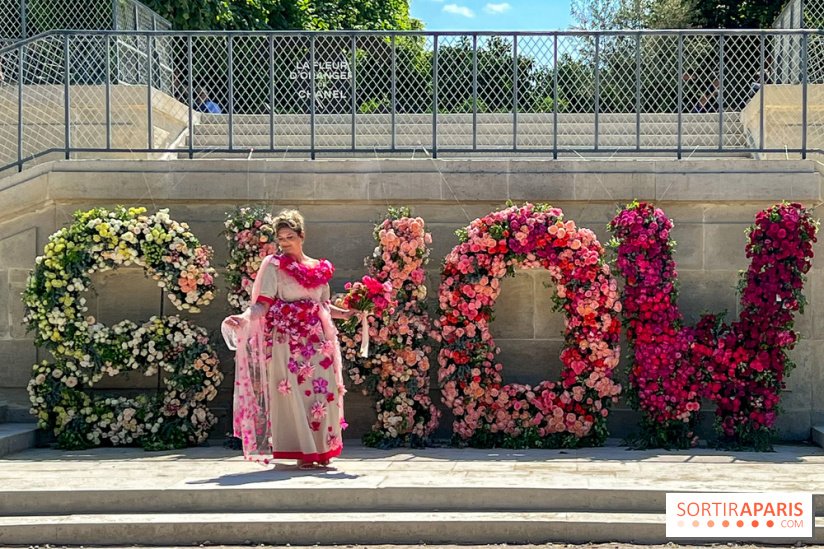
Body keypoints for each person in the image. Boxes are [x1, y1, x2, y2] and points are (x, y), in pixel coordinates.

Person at [222, 209, 357, 469]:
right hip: (289, 343)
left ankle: (322, 450)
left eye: (289, 237)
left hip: (319, 343)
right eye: (280, 238)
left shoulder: (318, 268)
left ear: (301, 236)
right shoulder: (274, 266)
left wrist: (350, 312)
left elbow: (324, 305)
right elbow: (263, 304)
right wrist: (244, 317)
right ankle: (304, 451)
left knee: (323, 394)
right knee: (297, 395)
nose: (284, 243)